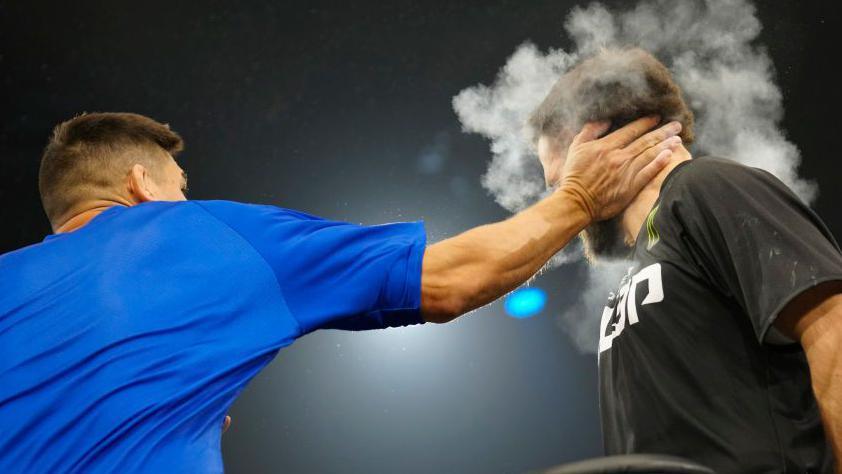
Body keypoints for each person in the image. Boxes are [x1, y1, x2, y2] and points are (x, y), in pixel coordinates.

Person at [0, 111, 679, 472]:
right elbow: (449, 280)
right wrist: (582, 197)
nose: (186, 196)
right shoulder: (199, 235)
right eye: (181, 184)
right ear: (144, 184)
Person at [530, 47, 842, 473]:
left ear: (604, 143)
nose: (563, 201)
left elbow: (833, 326)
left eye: (562, 180)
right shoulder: (647, 259)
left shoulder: (705, 186)